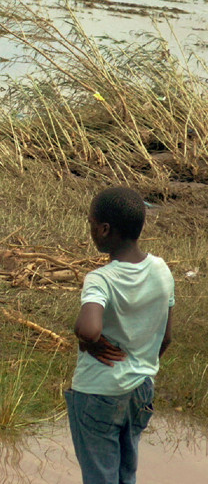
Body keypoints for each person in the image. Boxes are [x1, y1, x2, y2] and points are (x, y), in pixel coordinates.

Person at [66, 186, 174, 484]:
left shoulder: (101, 279)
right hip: (141, 390)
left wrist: (86, 341)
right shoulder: (162, 270)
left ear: (103, 229)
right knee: (126, 474)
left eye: (91, 224)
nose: (90, 230)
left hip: (98, 392)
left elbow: (89, 328)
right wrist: (140, 365)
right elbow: (166, 338)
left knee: (100, 476)